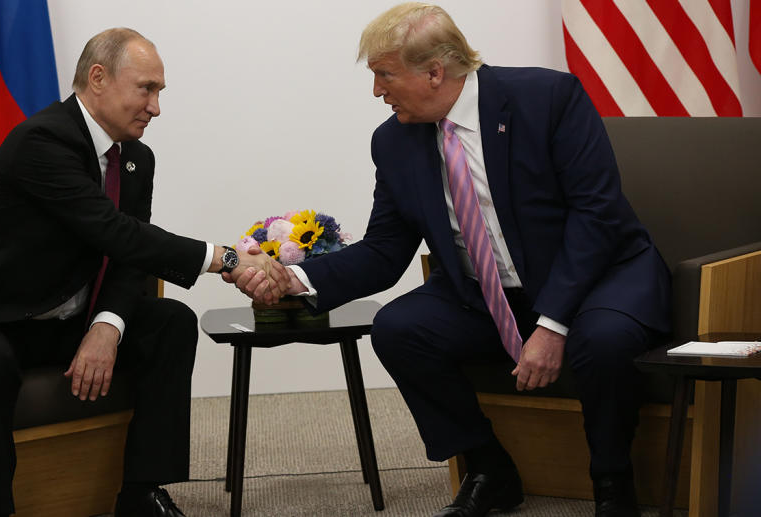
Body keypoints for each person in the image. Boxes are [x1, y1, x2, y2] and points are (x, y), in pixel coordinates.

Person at [232, 4, 670, 517]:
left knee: (603, 340)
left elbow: (596, 217)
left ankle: (613, 482)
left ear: (435, 71)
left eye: (384, 74)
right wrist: (293, 277)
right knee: (399, 328)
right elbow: (383, 251)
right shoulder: (394, 141)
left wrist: (553, 323)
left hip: (599, 277)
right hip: (490, 295)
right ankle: (489, 468)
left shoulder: (547, 98)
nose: (377, 91)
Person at [0, 28, 286, 517]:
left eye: (159, 92)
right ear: (98, 78)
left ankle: (141, 496)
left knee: (170, 323)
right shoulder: (42, 140)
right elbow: (115, 232)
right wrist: (229, 259)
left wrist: (106, 326)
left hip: (65, 320)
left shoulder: (135, 158)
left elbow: (130, 258)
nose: (155, 107)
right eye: (146, 89)